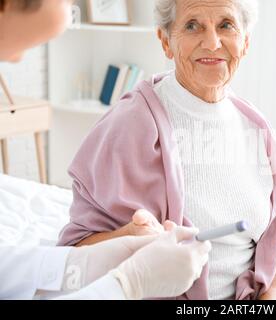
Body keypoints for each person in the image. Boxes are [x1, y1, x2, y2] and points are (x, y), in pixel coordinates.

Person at [58, 0, 276, 300]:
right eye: (192, 25)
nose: (211, 42)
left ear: (245, 41)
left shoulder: (258, 130)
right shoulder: (129, 123)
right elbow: (74, 253)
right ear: (166, 41)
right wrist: (129, 237)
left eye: (226, 25)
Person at [0, 0, 211, 300]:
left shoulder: (252, 128)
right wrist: (127, 285)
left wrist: (86, 265)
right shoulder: (134, 114)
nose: (18, 60)